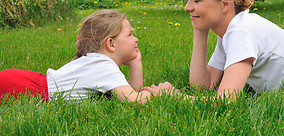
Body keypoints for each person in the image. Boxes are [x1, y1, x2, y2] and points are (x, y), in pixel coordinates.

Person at [0, 9, 172, 103]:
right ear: (110, 44)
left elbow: (131, 91)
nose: (136, 38)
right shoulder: (104, 66)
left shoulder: (97, 62)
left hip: (22, 82)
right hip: (26, 90)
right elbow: (133, 100)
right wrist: (158, 93)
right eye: (129, 35)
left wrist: (136, 63)